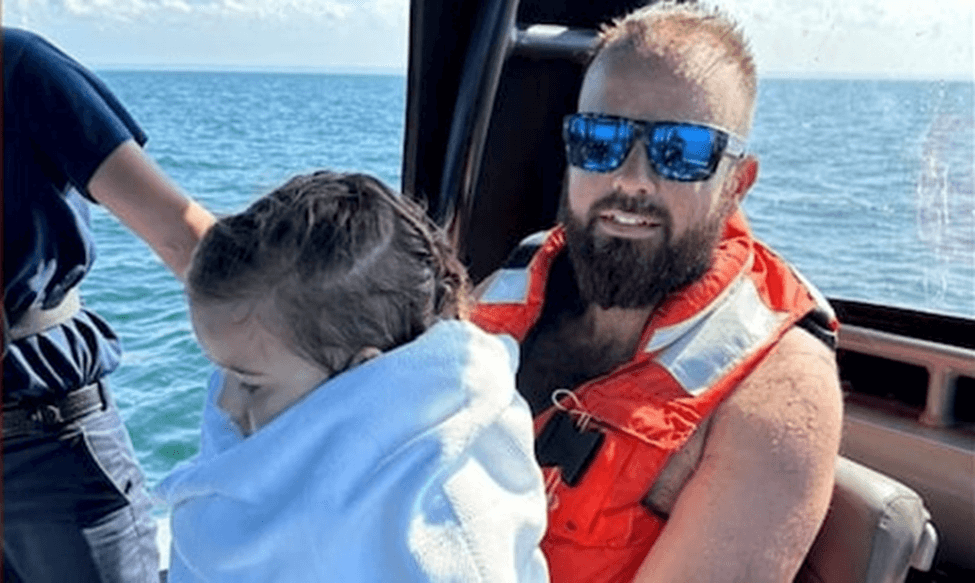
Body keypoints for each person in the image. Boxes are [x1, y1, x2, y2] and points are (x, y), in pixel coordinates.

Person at [470, 2, 844, 582]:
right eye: (600, 139)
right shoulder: (515, 278)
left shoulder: (782, 390)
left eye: (682, 151)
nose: (631, 179)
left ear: (737, 183)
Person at [156, 171, 549, 583]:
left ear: (361, 375)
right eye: (222, 373)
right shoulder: (283, 399)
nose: (225, 403)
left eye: (250, 384)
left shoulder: (438, 523)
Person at [2, 28, 215, 582]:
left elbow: (185, 241)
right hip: (44, 442)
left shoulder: (19, 64)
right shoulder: (18, 64)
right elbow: (184, 240)